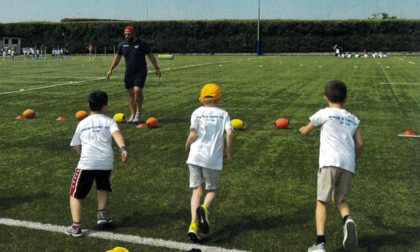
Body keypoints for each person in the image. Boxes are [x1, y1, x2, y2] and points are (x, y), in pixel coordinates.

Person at [299, 80, 364, 252]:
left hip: (329, 163)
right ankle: (347, 219)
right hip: (348, 164)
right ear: (346, 99)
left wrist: (301, 129)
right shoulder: (353, 119)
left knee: (322, 202)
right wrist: (353, 158)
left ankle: (320, 243)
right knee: (340, 199)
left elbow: (306, 130)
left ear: (325, 98)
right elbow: (360, 144)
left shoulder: (324, 113)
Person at [67, 90, 128, 237]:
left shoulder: (82, 123)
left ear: (89, 105)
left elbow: (75, 146)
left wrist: (81, 153)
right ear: (105, 107)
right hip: (106, 162)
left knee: (75, 194)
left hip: (87, 163)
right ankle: (101, 215)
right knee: (103, 186)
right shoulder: (109, 121)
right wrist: (123, 148)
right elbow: (116, 134)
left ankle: (76, 226)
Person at [185, 83, 234, 242]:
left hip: (195, 156)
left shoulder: (196, 113)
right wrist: (227, 152)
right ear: (219, 99)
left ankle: (193, 225)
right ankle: (204, 208)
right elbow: (230, 133)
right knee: (211, 190)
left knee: (196, 191)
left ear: (201, 99)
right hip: (212, 158)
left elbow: (193, 134)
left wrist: (187, 146)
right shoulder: (224, 114)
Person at [107, 25, 161, 124]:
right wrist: (111, 69)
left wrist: (156, 67)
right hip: (129, 71)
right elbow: (117, 58)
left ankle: (138, 113)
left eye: (129, 34)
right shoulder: (122, 45)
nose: (126, 36)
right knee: (131, 93)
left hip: (141, 70)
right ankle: (132, 114)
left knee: (137, 90)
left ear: (134, 33)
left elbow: (151, 56)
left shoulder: (142, 44)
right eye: (125, 34)